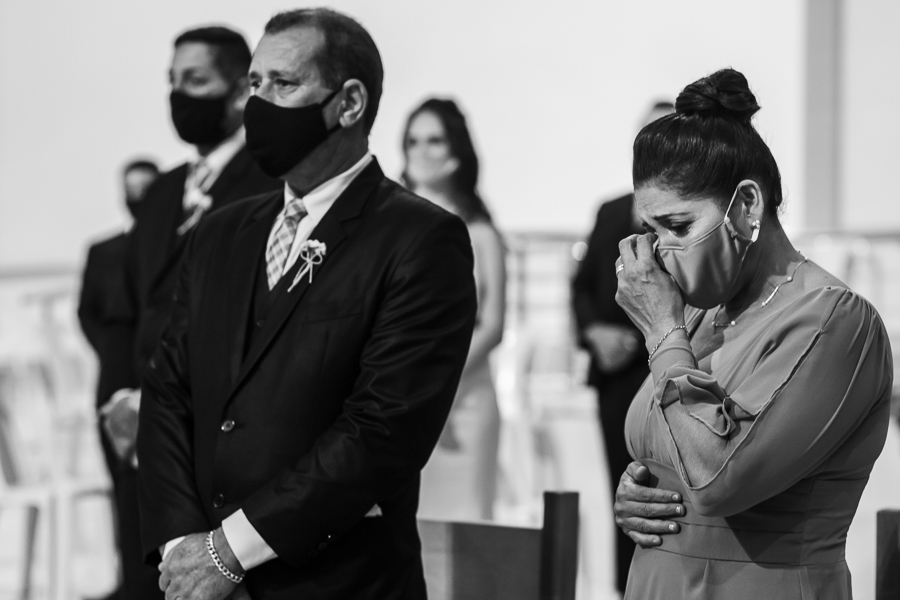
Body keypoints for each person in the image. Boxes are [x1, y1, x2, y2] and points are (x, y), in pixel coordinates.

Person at [136, 9, 477, 600]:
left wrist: (229, 551)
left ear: (349, 103)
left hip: (337, 582)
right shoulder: (219, 233)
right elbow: (168, 391)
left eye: (284, 84)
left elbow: (381, 431)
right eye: (254, 84)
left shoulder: (419, 238)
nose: (259, 103)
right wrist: (183, 547)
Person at [611, 68, 893, 599]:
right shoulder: (702, 315)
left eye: (678, 227)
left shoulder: (835, 321)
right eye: (651, 231)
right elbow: (672, 454)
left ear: (746, 206)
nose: (660, 252)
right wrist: (639, 488)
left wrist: (663, 331)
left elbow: (717, 478)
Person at [104, 26, 281, 600]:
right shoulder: (162, 192)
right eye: (173, 81)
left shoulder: (269, 183)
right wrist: (122, 399)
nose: (180, 95)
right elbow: (128, 306)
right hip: (138, 434)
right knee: (141, 579)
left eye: (196, 80)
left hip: (212, 430)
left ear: (238, 91)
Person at [570, 100, 673, 594]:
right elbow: (582, 286)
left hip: (659, 369)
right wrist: (594, 333)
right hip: (612, 377)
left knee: (663, 491)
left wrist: (632, 338)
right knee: (621, 485)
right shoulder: (610, 210)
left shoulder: (683, 219)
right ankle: (622, 588)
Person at [402, 98, 506, 522]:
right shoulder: (388, 228)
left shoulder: (481, 234)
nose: (421, 151)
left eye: (434, 140)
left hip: (465, 400)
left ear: (456, 151)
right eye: (413, 141)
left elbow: (494, 325)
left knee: (466, 525)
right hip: (399, 398)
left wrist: (440, 383)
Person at [77, 157, 159, 600]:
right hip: (115, 385)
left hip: (158, 383)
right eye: (132, 190)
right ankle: (130, 581)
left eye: (147, 189)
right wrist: (115, 356)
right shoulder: (103, 251)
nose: (138, 198)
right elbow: (86, 313)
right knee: (122, 490)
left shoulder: (173, 249)